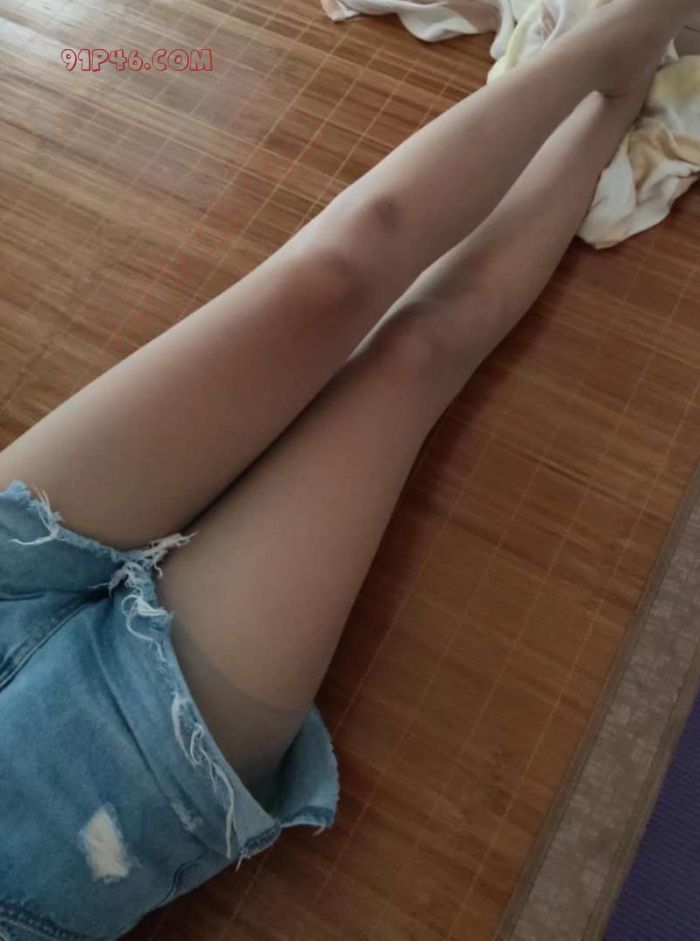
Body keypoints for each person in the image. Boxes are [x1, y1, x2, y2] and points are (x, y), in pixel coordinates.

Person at [0, 1, 696, 937]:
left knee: (330, 273)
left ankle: (617, 40)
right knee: (411, 355)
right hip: (84, 813)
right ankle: (617, 86)